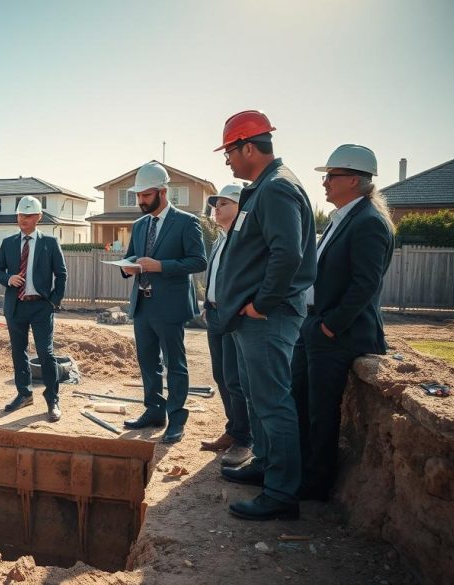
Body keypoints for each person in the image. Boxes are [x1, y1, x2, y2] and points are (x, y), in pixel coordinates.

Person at [212, 110, 316, 521]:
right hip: (249, 318)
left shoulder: (276, 189)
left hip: (266, 319)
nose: (228, 161)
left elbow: (287, 254)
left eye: (230, 153)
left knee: (273, 403)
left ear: (249, 147)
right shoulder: (261, 188)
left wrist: (262, 303)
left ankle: (281, 493)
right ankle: (265, 466)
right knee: (257, 398)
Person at [292, 145, 394, 501]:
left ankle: (316, 484)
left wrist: (330, 326)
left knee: (321, 409)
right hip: (316, 326)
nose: (324, 182)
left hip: (339, 334)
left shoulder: (368, 222)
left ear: (354, 180)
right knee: (300, 400)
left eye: (331, 176)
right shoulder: (345, 218)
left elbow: (366, 284)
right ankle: (300, 471)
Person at [119, 161, 207, 444]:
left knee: (175, 364)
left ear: (162, 191)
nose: (140, 201)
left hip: (170, 306)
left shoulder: (186, 222)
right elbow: (131, 258)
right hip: (142, 305)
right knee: (148, 363)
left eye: (145, 195)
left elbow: (198, 261)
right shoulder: (139, 224)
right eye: (138, 196)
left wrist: (160, 266)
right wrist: (126, 267)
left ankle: (176, 419)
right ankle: (154, 411)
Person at [0, 195, 68, 422]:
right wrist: (8, 278)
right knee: (18, 352)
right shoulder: (8, 243)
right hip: (16, 307)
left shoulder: (50, 243)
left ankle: (52, 400)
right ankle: (24, 394)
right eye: (20, 215)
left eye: (28, 215)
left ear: (38, 217)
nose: (23, 219)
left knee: (46, 353)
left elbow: (61, 274)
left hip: (41, 307)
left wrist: (54, 301)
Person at [200, 183, 252, 467]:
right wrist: (208, 305)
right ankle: (233, 430)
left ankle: (244, 439)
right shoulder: (220, 238)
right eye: (215, 205)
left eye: (223, 204)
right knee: (220, 376)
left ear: (240, 207)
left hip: (234, 317)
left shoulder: (242, 239)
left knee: (235, 379)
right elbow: (215, 276)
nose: (216, 209)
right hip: (216, 315)